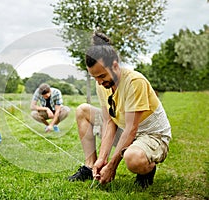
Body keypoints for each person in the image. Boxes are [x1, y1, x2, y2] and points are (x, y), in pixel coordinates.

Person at [68, 32, 171, 188]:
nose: (99, 82)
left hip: (151, 135)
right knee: (83, 110)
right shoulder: (102, 83)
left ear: (115, 65)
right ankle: (90, 167)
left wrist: (112, 166)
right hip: (126, 131)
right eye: (95, 77)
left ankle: (147, 169)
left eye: (102, 76)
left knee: (133, 158)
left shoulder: (134, 82)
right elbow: (110, 122)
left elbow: (131, 128)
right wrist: (102, 159)